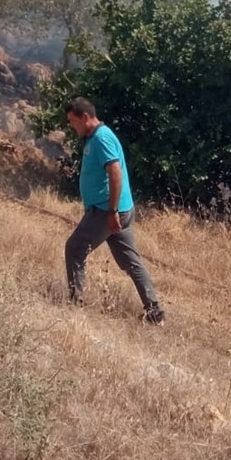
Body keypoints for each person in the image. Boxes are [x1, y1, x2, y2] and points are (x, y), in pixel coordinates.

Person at [64, 96, 165, 325]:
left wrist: (111, 211)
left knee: (74, 249)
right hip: (115, 210)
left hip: (106, 212)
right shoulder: (94, 137)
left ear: (86, 117)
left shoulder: (101, 138)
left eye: (73, 121)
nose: (71, 126)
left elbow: (115, 172)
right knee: (130, 261)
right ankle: (155, 312)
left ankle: (74, 304)